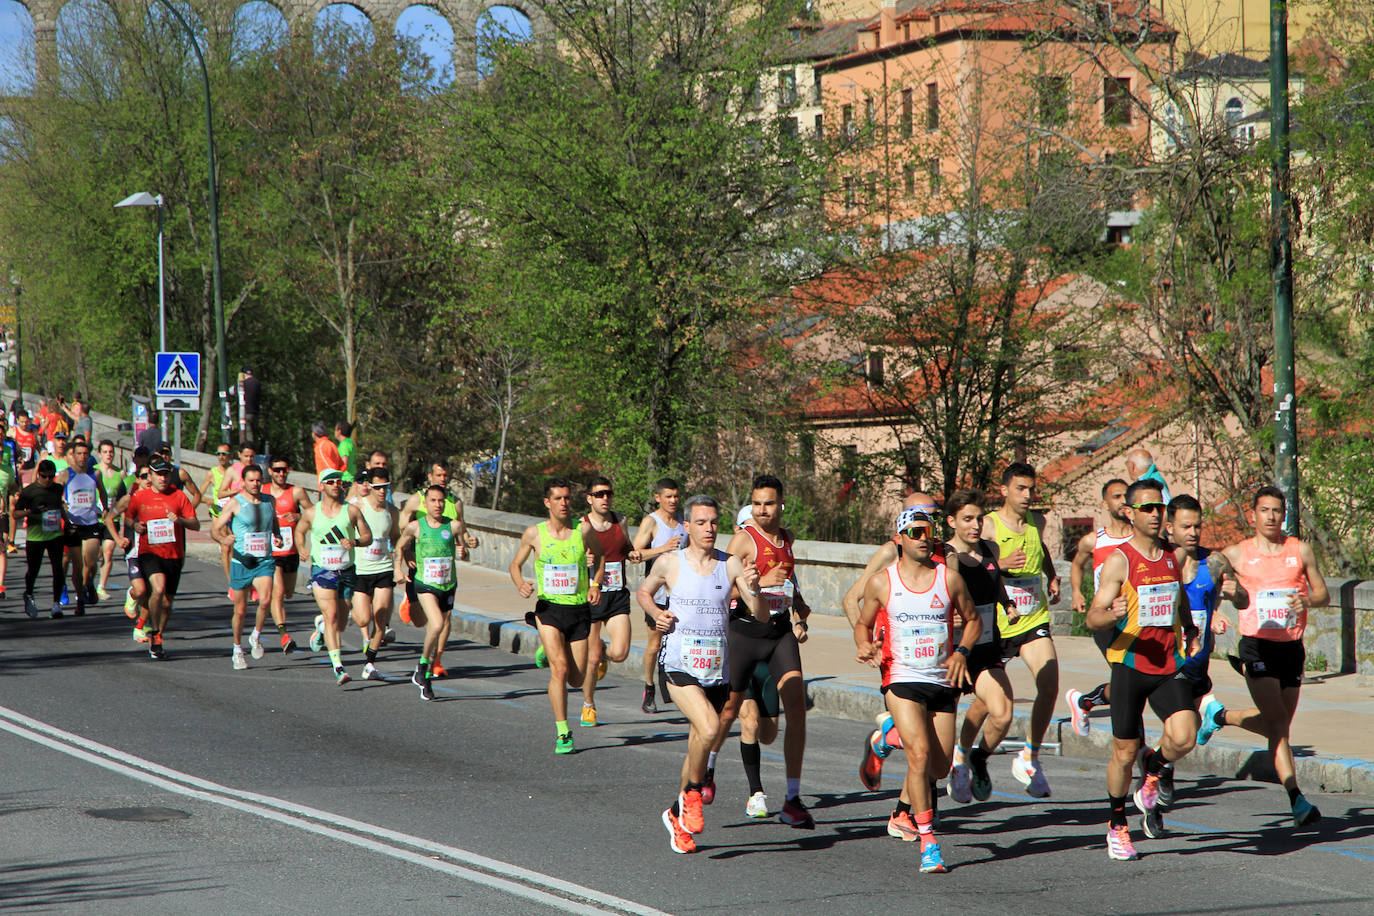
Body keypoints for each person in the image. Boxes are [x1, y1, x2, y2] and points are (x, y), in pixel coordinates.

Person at [855, 505, 981, 874]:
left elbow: (972, 621)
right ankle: (928, 842)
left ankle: (886, 738)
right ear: (899, 540)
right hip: (902, 676)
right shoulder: (882, 581)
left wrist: (962, 652)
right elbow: (863, 624)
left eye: (928, 532)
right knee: (920, 755)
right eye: (915, 533)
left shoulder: (949, 579)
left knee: (939, 768)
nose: (924, 538)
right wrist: (864, 645)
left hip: (942, 679)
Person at [1197, 485, 1329, 828]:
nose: (1271, 516)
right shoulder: (1237, 554)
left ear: (1283, 514)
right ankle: (1295, 798)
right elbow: (1203, 582)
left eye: (1277, 510)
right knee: (1279, 726)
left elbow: (1323, 593)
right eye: (1265, 510)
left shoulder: (1299, 550)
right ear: (1252, 514)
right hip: (1256, 646)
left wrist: (1307, 602)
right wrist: (1210, 614)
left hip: (1291, 647)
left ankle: (1220, 716)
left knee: (1279, 724)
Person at [637, 493, 761, 854]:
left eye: (713, 522)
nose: (709, 528)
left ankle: (675, 817)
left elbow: (761, 613)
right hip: (678, 664)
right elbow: (644, 593)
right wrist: (657, 613)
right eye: (701, 522)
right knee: (709, 729)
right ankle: (692, 794)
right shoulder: (669, 562)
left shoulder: (731, 564)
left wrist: (753, 588)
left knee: (698, 744)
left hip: (715, 669)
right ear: (687, 525)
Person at [1085, 479, 1200, 861]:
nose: (1155, 514)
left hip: (1167, 662)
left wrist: (1191, 628)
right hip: (1131, 663)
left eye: (1159, 507)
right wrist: (1110, 614)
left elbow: (1178, 593)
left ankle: (1153, 767)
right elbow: (1092, 616)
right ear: (1129, 513)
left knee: (1185, 736)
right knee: (1123, 751)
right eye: (1147, 508)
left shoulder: (1172, 554)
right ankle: (1117, 826)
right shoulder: (1119, 559)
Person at [713, 474, 815, 828]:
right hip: (743, 636)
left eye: (768, 504)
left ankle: (791, 796)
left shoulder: (787, 539)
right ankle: (751, 790)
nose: (761, 510)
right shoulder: (743, 540)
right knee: (742, 719)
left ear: (781, 504)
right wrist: (751, 587)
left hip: (777, 635)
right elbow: (718, 587)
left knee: (775, 727)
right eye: (756, 503)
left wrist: (798, 607)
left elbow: (788, 580)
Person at [509, 477, 606, 754]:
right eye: (558, 498)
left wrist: (595, 583)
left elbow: (600, 557)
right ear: (547, 502)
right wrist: (521, 584)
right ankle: (563, 732)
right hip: (549, 609)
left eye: (567, 498)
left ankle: (549, 649)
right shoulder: (534, 534)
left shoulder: (582, 529)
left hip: (578, 611)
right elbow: (515, 565)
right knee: (560, 670)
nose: (564, 503)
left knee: (576, 679)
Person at [980, 462, 1060, 797]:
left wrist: (1052, 574)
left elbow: (1039, 551)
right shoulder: (988, 525)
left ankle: (1030, 755)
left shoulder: (1037, 521)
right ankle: (969, 755)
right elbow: (972, 565)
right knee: (986, 704)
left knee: (1050, 682)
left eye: (1031, 489)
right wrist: (997, 565)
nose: (1028, 496)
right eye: (1020, 489)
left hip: (1033, 617)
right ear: (1004, 490)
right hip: (1000, 620)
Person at [941, 490, 1018, 805]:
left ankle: (973, 758)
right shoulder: (947, 555)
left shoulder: (990, 548)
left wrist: (1008, 604)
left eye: (978, 518)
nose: (975, 525)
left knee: (1002, 713)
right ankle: (888, 741)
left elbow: (995, 582)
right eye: (967, 519)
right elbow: (946, 593)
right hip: (954, 651)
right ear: (952, 521)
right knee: (935, 740)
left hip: (986, 645)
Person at [1064, 478, 1134, 736]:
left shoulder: (1141, 538)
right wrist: (1075, 592)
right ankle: (1133, 744)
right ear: (1105, 503)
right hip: (1105, 620)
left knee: (1131, 683)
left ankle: (1086, 702)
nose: (1123, 501)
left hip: (1136, 619)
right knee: (1127, 680)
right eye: (1117, 496)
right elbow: (1077, 564)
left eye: (1127, 495)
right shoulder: (1094, 540)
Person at [397, 460, 478, 676]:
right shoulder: (416, 500)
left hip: (444, 571)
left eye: (446, 476)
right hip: (419, 563)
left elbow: (462, 532)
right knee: (419, 621)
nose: (443, 479)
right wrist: (406, 554)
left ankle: (436, 660)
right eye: (439, 475)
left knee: (443, 618)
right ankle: (410, 602)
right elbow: (401, 530)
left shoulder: (455, 503)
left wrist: (467, 546)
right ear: (430, 476)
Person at [296, 468, 373, 685]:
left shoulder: (352, 511)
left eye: (339, 482)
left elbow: (368, 536)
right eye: (331, 482)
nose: (336, 485)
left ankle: (321, 630)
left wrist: (355, 542)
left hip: (346, 570)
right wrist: (302, 548)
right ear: (322, 486)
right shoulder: (312, 512)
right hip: (322, 570)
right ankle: (338, 667)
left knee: (340, 621)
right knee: (331, 615)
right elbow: (300, 530)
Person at [124, 455, 200, 659]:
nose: (163, 478)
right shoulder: (140, 497)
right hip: (150, 553)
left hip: (174, 555)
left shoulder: (179, 497)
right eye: (159, 474)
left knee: (167, 602)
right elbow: (128, 518)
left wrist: (180, 520)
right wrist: (135, 526)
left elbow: (196, 524)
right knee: (157, 588)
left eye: (166, 474)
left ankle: (158, 633)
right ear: (151, 475)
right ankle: (155, 632)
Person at [579, 476, 636, 726]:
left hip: (617, 595)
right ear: (589, 499)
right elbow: (569, 560)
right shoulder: (581, 526)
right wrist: (584, 563)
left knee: (620, 653)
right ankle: (588, 705)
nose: (605, 498)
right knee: (591, 661)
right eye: (599, 494)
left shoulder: (620, 520)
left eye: (608, 494)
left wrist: (635, 552)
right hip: (591, 596)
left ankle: (603, 650)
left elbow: (628, 548)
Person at [211, 464, 279, 670]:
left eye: (258, 480)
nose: (255, 484)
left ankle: (256, 635)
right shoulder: (235, 503)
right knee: (240, 610)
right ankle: (237, 648)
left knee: (266, 599)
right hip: (241, 561)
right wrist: (224, 540)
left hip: (264, 560)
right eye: (251, 480)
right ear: (244, 482)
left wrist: (277, 535)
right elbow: (215, 529)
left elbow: (273, 521)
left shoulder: (269, 500)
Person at [631, 478, 685, 714]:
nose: (673, 500)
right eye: (668, 496)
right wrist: (663, 548)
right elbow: (634, 554)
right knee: (655, 644)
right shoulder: (651, 522)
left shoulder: (684, 522)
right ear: (658, 498)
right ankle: (649, 686)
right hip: (656, 594)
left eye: (676, 496)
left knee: (682, 642)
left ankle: (682, 689)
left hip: (681, 594)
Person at [351, 466, 400, 679]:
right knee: (363, 619)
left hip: (383, 569)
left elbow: (396, 537)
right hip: (361, 570)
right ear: (369, 486)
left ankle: (370, 663)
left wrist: (399, 564)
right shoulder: (356, 507)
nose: (382, 492)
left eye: (385, 487)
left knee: (380, 619)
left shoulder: (392, 511)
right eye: (378, 487)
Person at [264, 457, 311, 654]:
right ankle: (284, 635)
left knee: (288, 593)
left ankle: (275, 609)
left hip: (290, 551)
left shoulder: (297, 491)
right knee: (278, 591)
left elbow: (314, 512)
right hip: (271, 551)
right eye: (277, 470)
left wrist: (299, 516)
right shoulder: (263, 491)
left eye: (285, 470)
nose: (281, 473)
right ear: (270, 471)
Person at [59, 439, 110, 613]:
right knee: (78, 565)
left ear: (89, 456)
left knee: (92, 562)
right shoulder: (66, 474)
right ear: (72, 455)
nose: (82, 457)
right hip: (73, 525)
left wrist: (106, 509)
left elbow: (102, 491)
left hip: (91, 523)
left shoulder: (95, 474)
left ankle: (89, 583)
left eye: (85, 454)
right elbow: (55, 494)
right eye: (79, 454)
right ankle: (80, 598)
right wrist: (62, 509)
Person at [14, 459, 66, 619]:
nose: (48, 480)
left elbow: (60, 508)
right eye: (45, 477)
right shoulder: (29, 491)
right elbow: (16, 514)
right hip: (36, 536)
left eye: (51, 477)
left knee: (58, 569)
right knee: (33, 570)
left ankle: (56, 604)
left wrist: (68, 522)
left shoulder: (57, 489)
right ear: (39, 475)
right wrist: (31, 511)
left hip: (55, 534)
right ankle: (29, 594)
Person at [94, 440, 126, 600]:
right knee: (95, 554)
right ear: (99, 453)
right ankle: (88, 582)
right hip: (95, 518)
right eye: (105, 452)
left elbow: (124, 499)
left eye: (111, 452)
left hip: (112, 519)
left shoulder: (120, 474)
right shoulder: (94, 471)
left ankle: (101, 587)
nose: (108, 455)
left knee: (109, 550)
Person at [240, 367, 261, 448]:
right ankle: (255, 450)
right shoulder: (257, 383)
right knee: (254, 432)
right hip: (255, 412)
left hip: (245, 412)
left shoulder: (243, 383)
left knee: (248, 434)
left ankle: (249, 450)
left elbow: (232, 391)